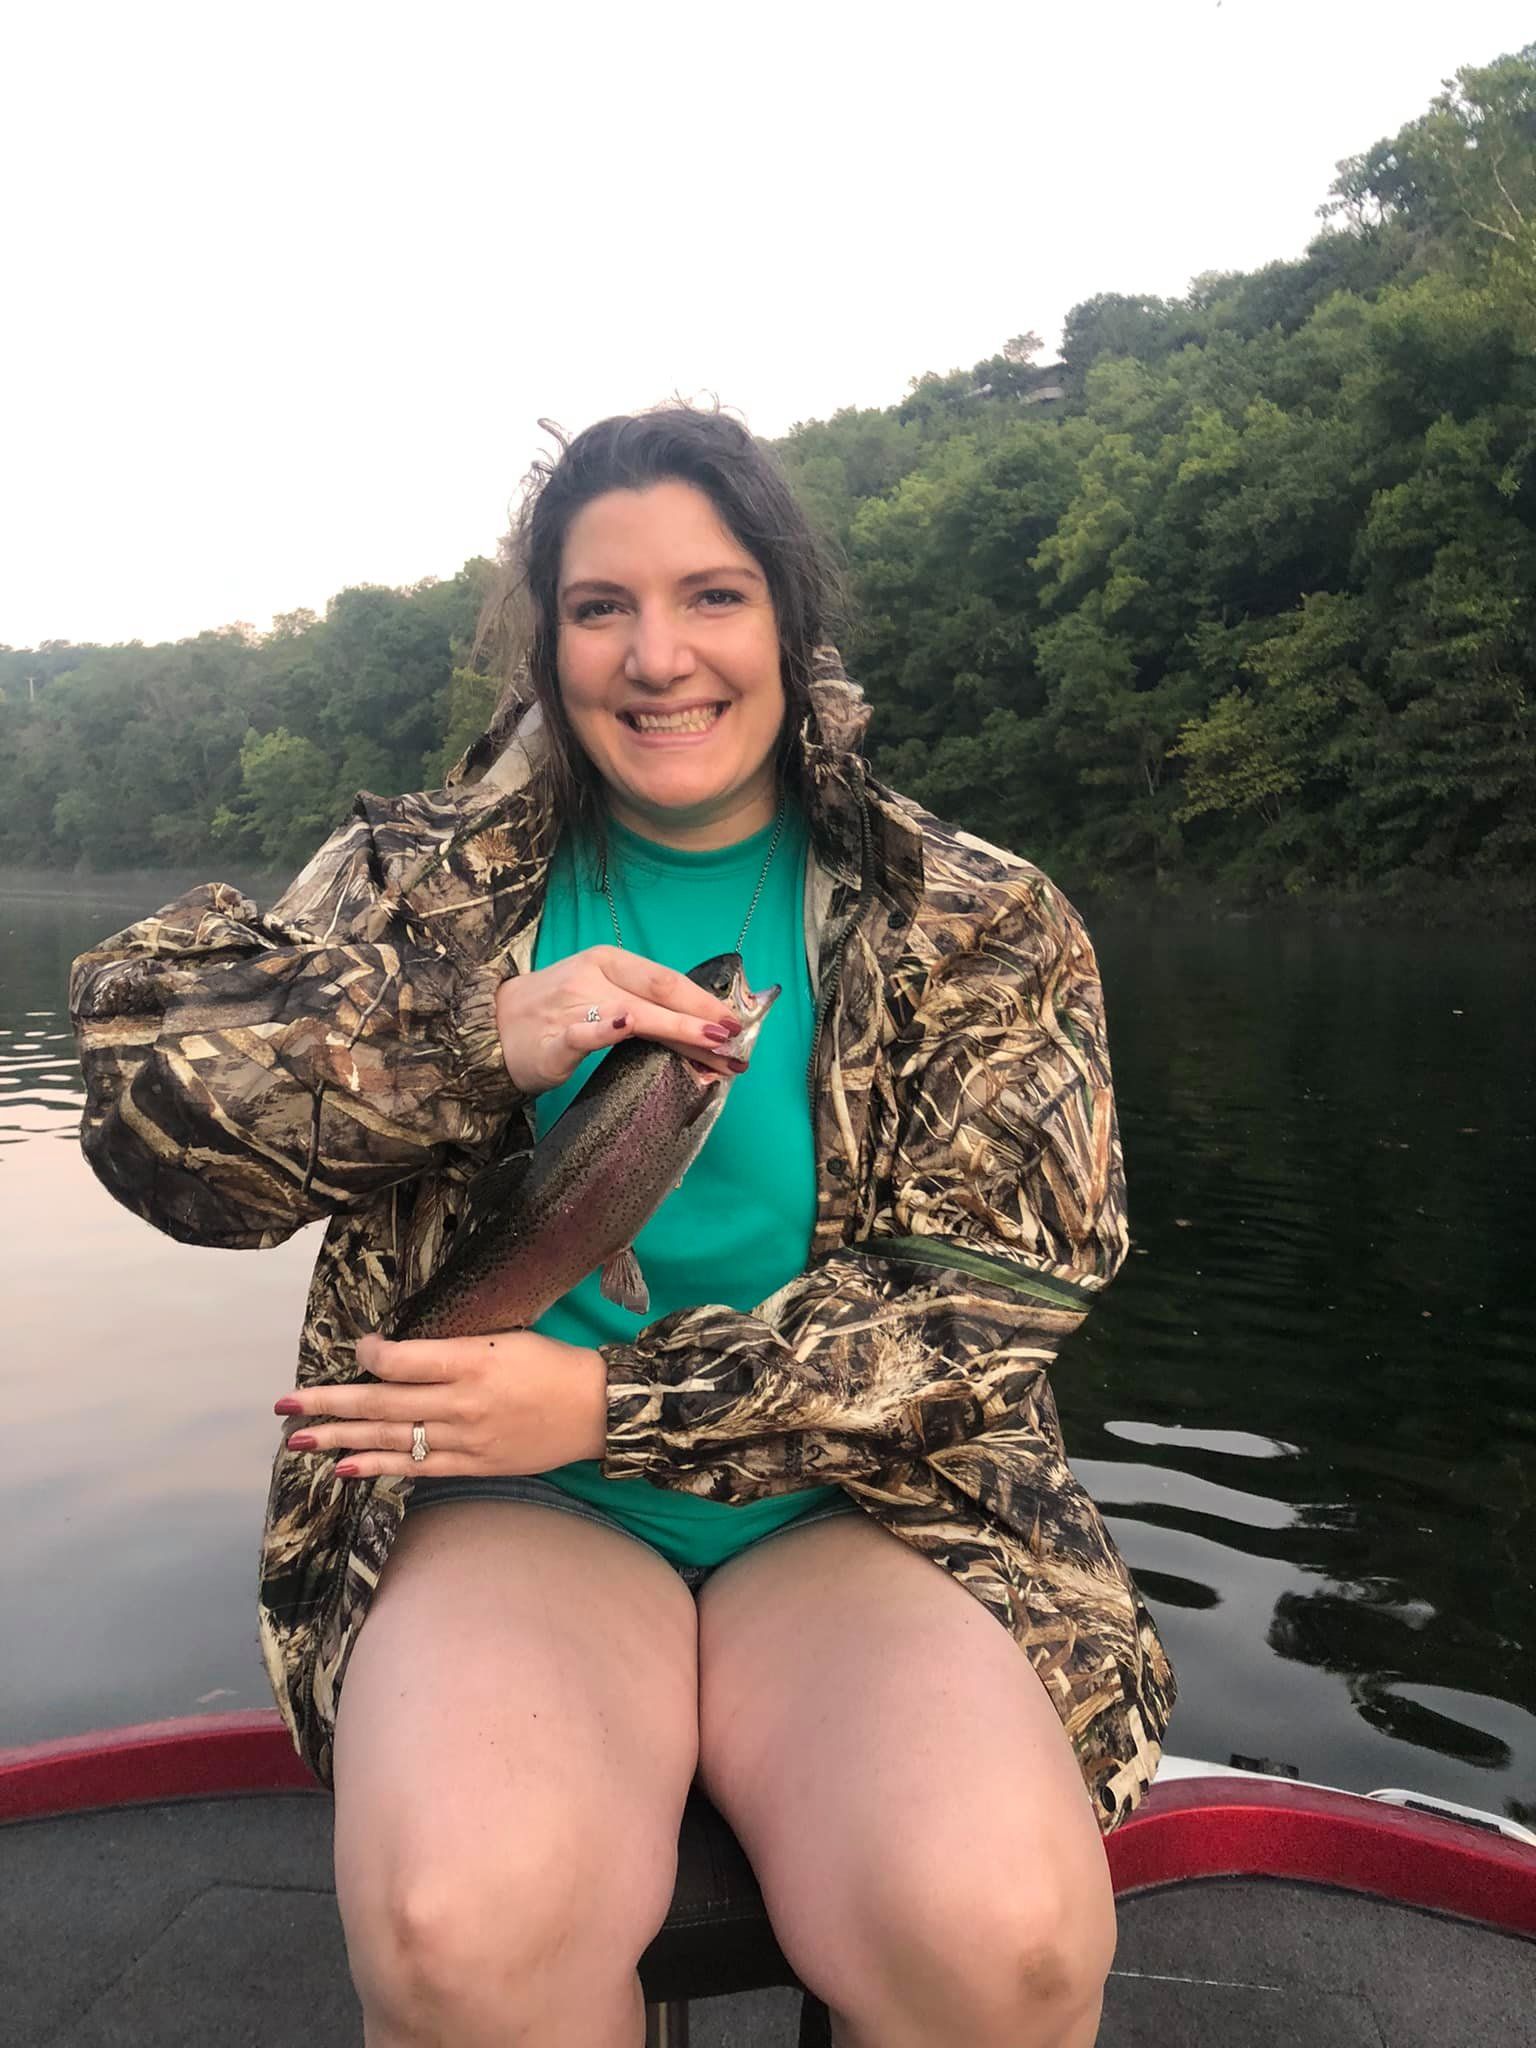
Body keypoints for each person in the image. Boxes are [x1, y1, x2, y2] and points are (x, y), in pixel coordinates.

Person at [70, 403, 1176, 2048]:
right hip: (511, 1504)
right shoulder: (413, 883)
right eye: (603, 609)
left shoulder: (978, 916)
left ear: (791, 626)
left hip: (860, 1504)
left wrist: (609, 1397)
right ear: (550, 641)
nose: (660, 658)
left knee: (1001, 1941)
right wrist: (473, 1035)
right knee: (460, 1932)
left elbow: (995, 1309)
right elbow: (146, 1111)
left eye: (714, 597)